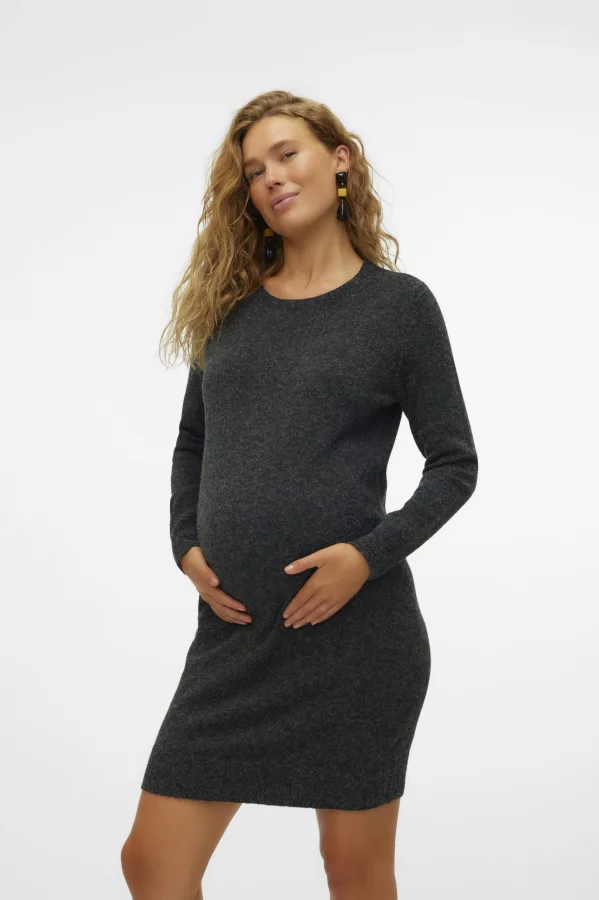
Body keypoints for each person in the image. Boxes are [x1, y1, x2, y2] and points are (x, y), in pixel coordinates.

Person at [121, 89, 478, 900]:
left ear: (338, 158)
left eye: (287, 154)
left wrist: (365, 557)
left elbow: (454, 464)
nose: (271, 178)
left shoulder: (398, 308)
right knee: (151, 862)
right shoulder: (230, 309)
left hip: (356, 638)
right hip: (234, 639)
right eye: (253, 171)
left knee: (353, 872)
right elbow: (192, 443)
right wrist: (185, 542)